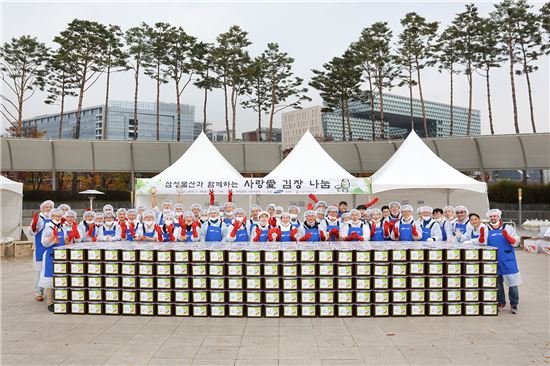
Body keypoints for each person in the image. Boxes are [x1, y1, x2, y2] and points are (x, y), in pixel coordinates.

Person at [485, 209, 521, 313]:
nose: (493, 218)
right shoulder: (486, 228)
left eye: (495, 216)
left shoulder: (508, 228)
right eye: (491, 217)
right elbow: (481, 242)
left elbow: (516, 242)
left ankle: (514, 304)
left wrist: (508, 237)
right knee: (498, 283)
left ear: (499, 217)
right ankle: (501, 303)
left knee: (512, 283)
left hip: (508, 259)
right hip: (493, 259)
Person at [39, 208, 68, 312]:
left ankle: (59, 298)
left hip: (61, 254)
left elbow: (64, 240)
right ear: (51, 217)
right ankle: (50, 302)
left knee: (60, 277)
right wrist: (52, 239)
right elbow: (44, 242)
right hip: (50, 255)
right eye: (55, 216)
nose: (57, 218)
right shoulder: (48, 227)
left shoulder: (62, 227)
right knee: (50, 278)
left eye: (59, 216)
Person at [28, 200, 54, 302]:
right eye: (46, 207)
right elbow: (31, 232)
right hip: (40, 248)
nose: (48, 208)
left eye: (50, 207)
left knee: (50, 271)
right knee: (39, 272)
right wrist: (33, 227)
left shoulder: (55, 218)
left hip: (51, 248)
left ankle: (51, 292)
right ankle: (38, 292)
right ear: (42, 208)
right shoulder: (38, 218)